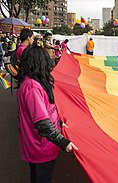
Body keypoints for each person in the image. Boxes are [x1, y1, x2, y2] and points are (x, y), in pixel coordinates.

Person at [17, 46, 78, 183]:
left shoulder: (36, 83)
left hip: (44, 146)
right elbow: (42, 123)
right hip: (40, 147)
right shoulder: (32, 87)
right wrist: (63, 141)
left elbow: (47, 111)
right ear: (39, 62)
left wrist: (60, 123)